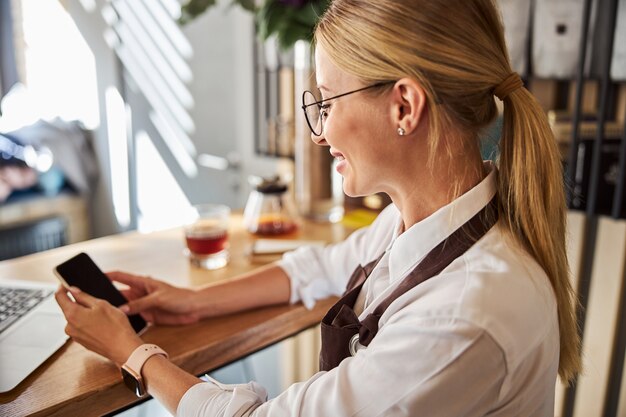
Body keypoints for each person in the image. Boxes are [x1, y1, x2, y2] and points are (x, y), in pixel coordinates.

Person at [55, 0, 581, 415]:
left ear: (404, 105)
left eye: (328, 101)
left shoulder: (462, 316)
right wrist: (196, 303)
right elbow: (321, 266)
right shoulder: (431, 216)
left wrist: (134, 354)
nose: (320, 131)